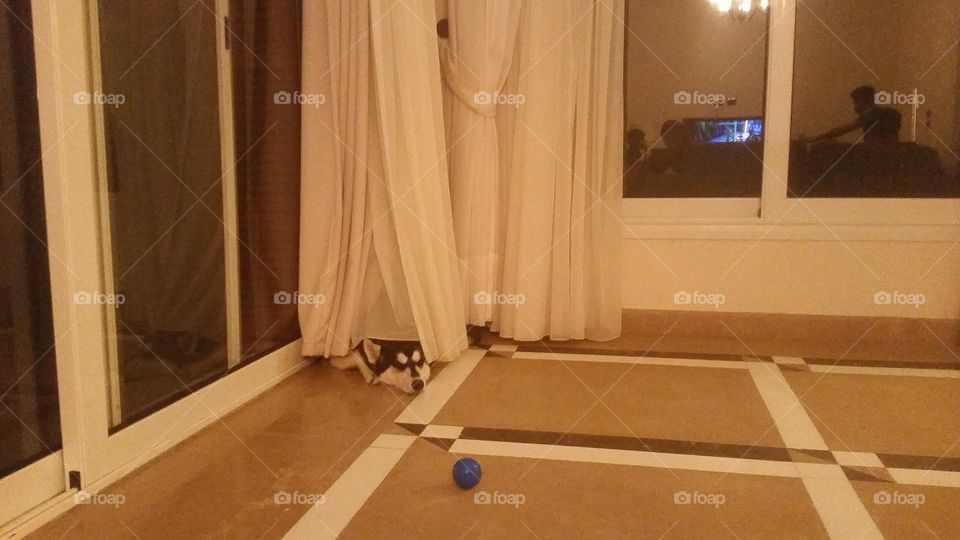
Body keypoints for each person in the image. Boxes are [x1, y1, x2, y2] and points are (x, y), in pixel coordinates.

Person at [806, 85, 901, 145]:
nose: (854, 104)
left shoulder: (871, 113)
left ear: (862, 99)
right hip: (890, 152)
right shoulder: (890, 112)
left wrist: (817, 138)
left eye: (855, 101)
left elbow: (845, 129)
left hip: (875, 154)